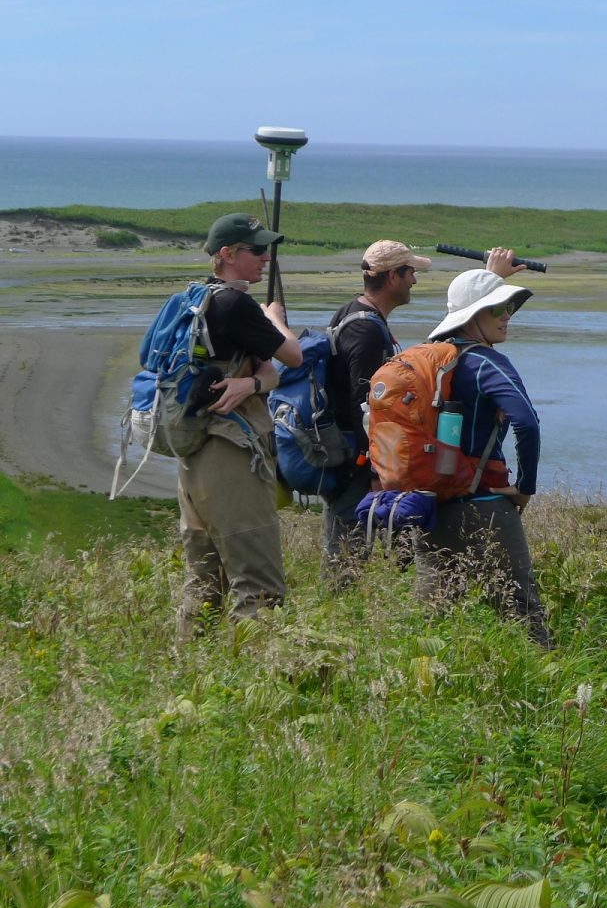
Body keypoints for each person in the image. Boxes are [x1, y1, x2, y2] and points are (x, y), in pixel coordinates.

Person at [322, 243, 527, 588]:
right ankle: (335, 622)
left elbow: (437, 355)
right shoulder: (366, 331)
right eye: (411, 272)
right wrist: (381, 474)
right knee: (346, 563)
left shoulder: (353, 315)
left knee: (427, 591)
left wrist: (487, 283)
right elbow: (374, 409)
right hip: (361, 466)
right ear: (392, 277)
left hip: (360, 461)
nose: (415, 280)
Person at [178, 213, 302, 639]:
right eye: (256, 250)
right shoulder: (236, 304)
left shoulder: (195, 298)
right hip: (231, 451)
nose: (265, 259)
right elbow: (292, 357)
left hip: (194, 454)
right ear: (227, 254)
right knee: (260, 589)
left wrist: (255, 380)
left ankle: (189, 673)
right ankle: (255, 691)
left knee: (204, 582)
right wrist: (273, 317)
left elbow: (268, 374)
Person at [417, 267, 548, 646]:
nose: (507, 314)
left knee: (435, 615)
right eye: (497, 308)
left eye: (509, 307)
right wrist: (524, 487)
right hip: (484, 503)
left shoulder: (432, 360)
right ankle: (548, 688)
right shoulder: (486, 362)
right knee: (521, 610)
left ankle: (428, 690)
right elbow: (527, 423)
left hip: (429, 503)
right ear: (473, 315)